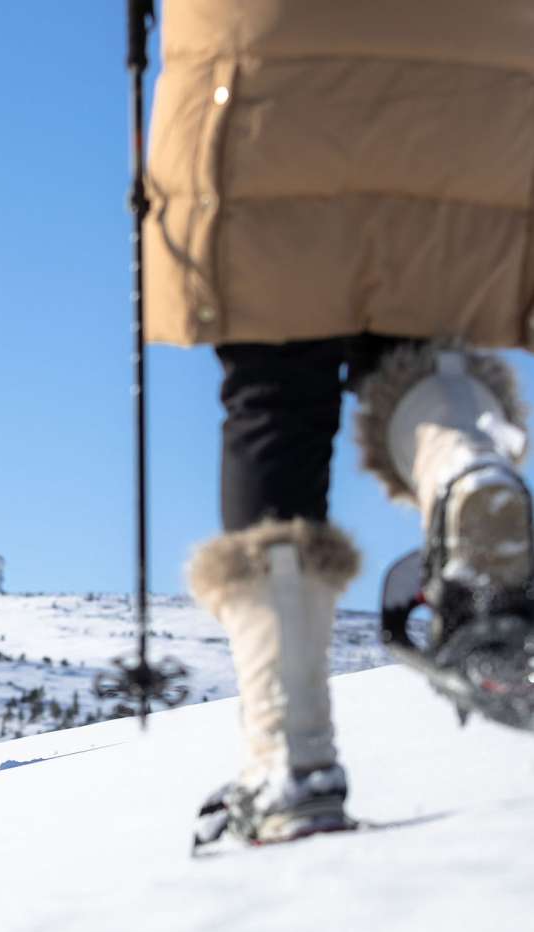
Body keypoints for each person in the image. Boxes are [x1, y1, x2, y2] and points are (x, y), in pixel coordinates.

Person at [141, 1, 534, 845]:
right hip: (470, 62)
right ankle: (468, 469)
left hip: (262, 64)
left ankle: (293, 760)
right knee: (429, 345)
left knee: (275, 389)